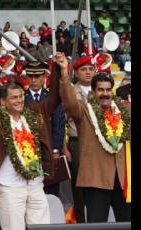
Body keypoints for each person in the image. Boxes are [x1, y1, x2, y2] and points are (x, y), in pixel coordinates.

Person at [0, 53, 63, 229]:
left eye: (21, 96)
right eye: (14, 97)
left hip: (35, 184)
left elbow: (54, 97)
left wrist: (57, 69)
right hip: (9, 186)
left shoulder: (35, 113)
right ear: (2, 101)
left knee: (41, 227)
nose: (19, 101)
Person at [58, 53, 131, 223]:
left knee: (127, 223)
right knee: (97, 224)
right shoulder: (84, 111)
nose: (105, 94)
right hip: (96, 180)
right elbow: (69, 102)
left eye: (107, 90)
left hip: (123, 180)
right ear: (93, 91)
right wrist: (64, 71)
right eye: (100, 90)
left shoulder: (123, 110)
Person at [62, 55, 96, 223]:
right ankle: (81, 220)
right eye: (84, 69)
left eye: (91, 69)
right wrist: (64, 147)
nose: (88, 72)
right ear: (75, 72)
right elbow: (61, 122)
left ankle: (97, 217)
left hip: (98, 142)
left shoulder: (102, 90)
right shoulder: (71, 92)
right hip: (77, 142)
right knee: (79, 183)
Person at [23, 62, 66, 196]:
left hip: (49, 151)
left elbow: (58, 125)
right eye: (30, 76)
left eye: (37, 76)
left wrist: (55, 150)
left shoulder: (51, 97)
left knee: (50, 192)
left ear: (44, 78)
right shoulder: (21, 98)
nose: (34, 80)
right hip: (26, 152)